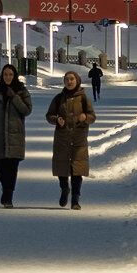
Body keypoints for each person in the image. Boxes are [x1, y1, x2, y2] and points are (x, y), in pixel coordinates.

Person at [0, 63, 33, 208]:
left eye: (10, 74)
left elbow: (27, 110)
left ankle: (8, 194)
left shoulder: (21, 91)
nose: (8, 77)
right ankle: (6, 188)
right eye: (5, 74)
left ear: (14, 76)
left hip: (15, 133)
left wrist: (14, 96)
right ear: (1, 76)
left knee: (12, 165)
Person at [46, 70, 96, 210]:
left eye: (72, 79)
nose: (69, 81)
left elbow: (92, 116)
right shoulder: (58, 98)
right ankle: (64, 189)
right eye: (67, 79)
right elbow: (49, 115)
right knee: (61, 167)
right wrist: (57, 120)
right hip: (62, 138)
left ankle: (75, 199)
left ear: (77, 81)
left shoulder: (83, 99)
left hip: (78, 139)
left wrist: (85, 118)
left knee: (77, 169)